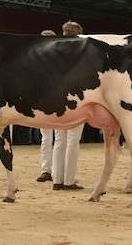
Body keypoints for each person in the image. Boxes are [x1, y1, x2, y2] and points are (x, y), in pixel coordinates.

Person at [52, 20, 85, 190]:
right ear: (77, 34)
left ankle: (57, 180)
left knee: (59, 139)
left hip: (56, 98)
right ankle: (69, 180)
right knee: (73, 139)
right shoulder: (80, 51)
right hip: (75, 98)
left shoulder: (53, 49)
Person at [36, 29, 56, 182]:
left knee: (49, 138)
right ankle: (47, 170)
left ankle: (49, 170)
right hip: (45, 101)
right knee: (49, 138)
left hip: (50, 100)